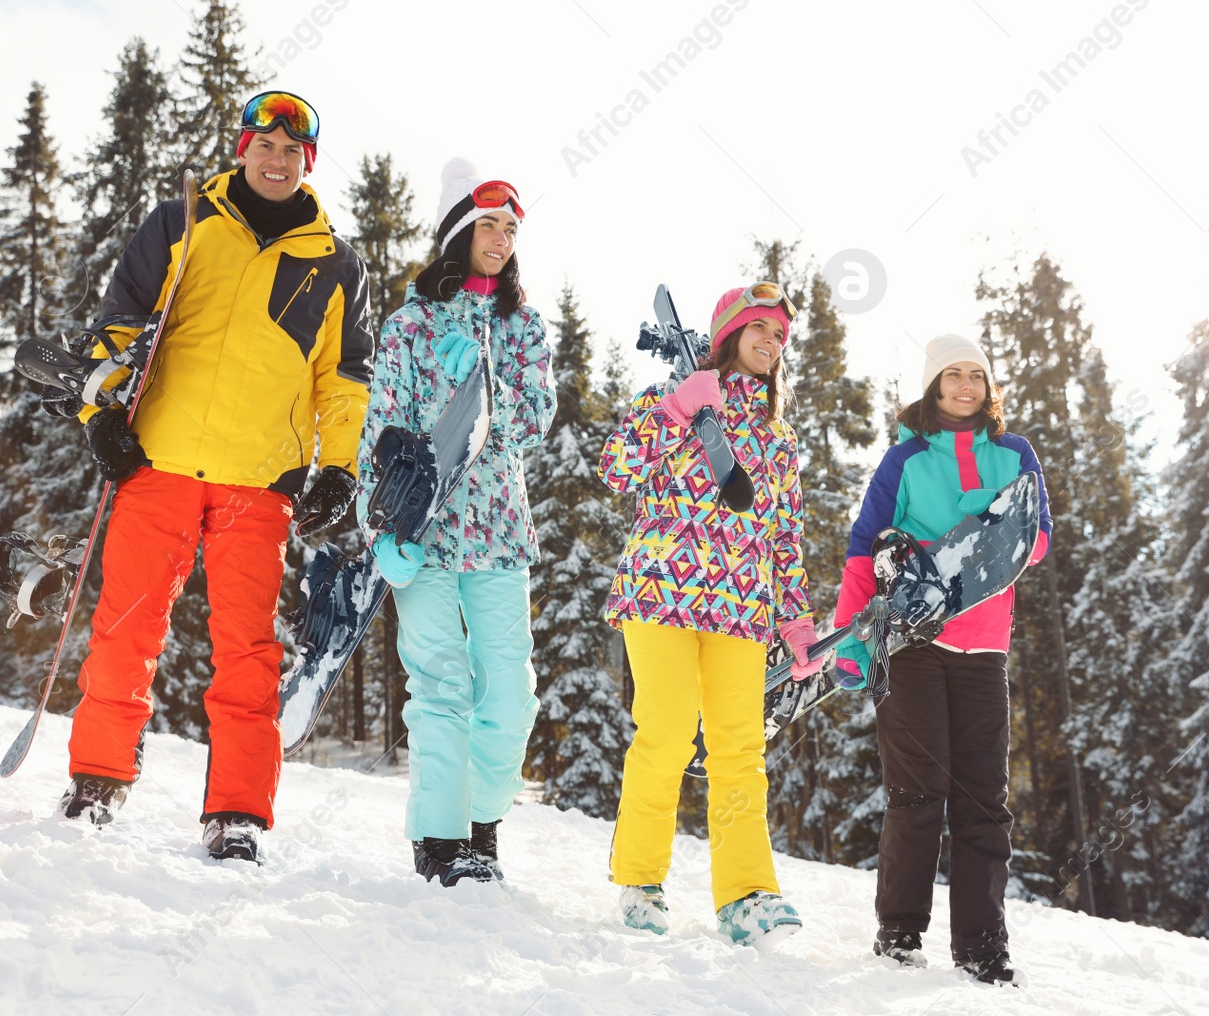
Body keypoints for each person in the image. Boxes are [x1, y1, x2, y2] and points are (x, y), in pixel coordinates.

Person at [54, 91, 371, 864]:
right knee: (125, 628)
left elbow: (345, 377)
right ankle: (97, 777)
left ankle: (237, 813)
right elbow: (120, 325)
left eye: (291, 151)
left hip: (258, 481)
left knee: (248, 652)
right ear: (241, 148)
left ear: (307, 164)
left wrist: (337, 465)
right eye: (263, 144)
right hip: (157, 459)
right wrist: (100, 416)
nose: (275, 158)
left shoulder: (334, 262)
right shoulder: (181, 221)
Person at [600, 283, 819, 947]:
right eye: (759, 329)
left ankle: (747, 894)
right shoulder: (674, 401)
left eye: (779, 336)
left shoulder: (777, 441)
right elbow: (614, 469)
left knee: (739, 749)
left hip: (742, 610)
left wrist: (796, 619)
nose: (770, 342)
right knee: (665, 733)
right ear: (729, 333)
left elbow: (784, 536)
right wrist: (674, 411)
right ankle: (640, 883)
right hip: (660, 594)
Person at [358, 157, 555, 887]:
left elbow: (534, 423)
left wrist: (488, 378)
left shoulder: (523, 325)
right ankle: (441, 838)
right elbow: (382, 426)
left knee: (509, 691)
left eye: (511, 228)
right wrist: (375, 524)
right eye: (489, 225)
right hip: (425, 528)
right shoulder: (409, 326)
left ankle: (482, 820)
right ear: (458, 231)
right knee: (438, 681)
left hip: (501, 529)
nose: (502, 240)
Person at [832, 333, 1050, 985]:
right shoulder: (903, 459)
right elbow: (861, 545)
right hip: (910, 644)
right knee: (918, 791)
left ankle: (983, 945)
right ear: (933, 387)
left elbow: (1035, 539)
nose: (964, 387)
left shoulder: (1015, 454)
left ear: (988, 387)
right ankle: (899, 932)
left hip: (984, 645)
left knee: (983, 799)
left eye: (974, 376)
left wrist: (984, 539)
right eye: (951, 375)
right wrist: (850, 640)